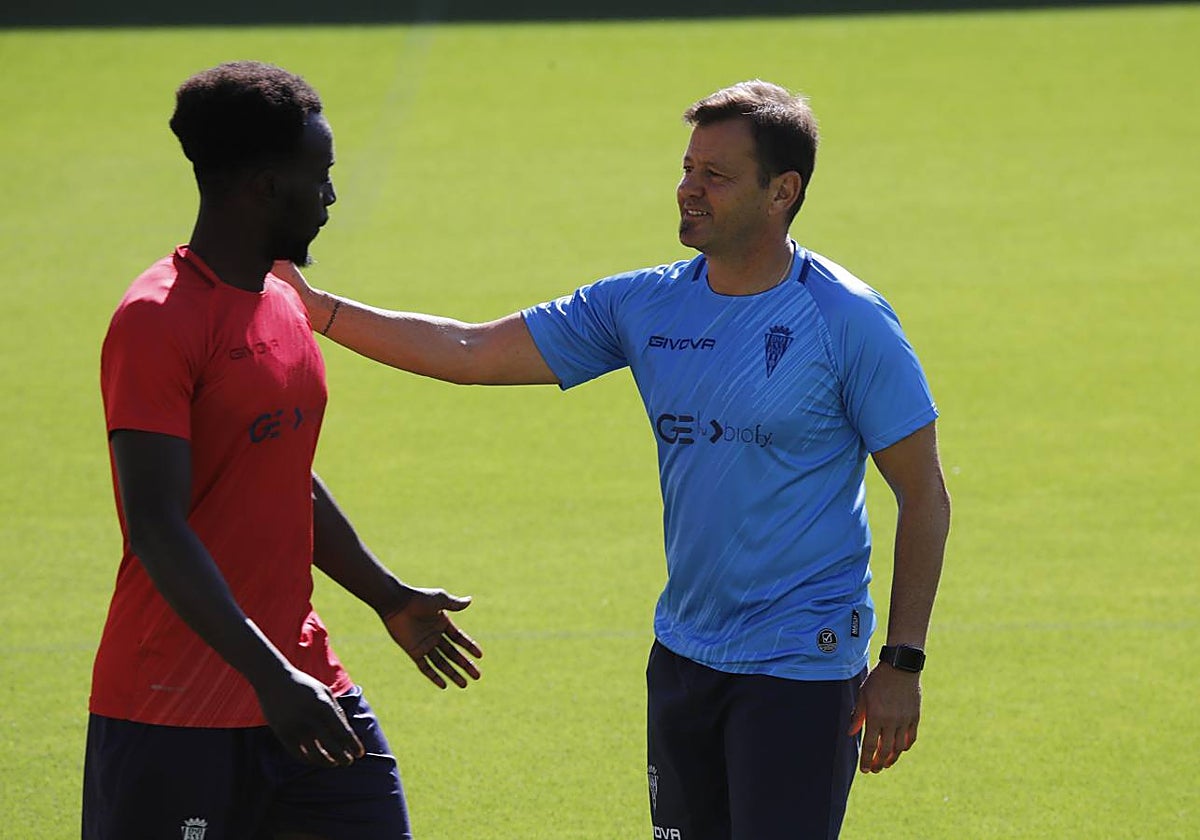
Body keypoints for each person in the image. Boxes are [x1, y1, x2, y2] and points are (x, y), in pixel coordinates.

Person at [276, 80, 950, 839]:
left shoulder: (848, 320)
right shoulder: (644, 306)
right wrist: (317, 310)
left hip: (800, 665)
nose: (687, 190)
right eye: (688, 168)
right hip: (685, 656)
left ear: (782, 191)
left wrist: (902, 661)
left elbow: (923, 494)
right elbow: (471, 350)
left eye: (715, 177)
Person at [86, 61, 483, 840]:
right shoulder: (155, 320)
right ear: (265, 186)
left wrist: (387, 597)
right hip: (175, 706)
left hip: (303, 681)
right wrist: (271, 678)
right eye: (321, 175)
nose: (332, 197)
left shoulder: (280, 301)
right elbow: (156, 526)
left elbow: (283, 472)